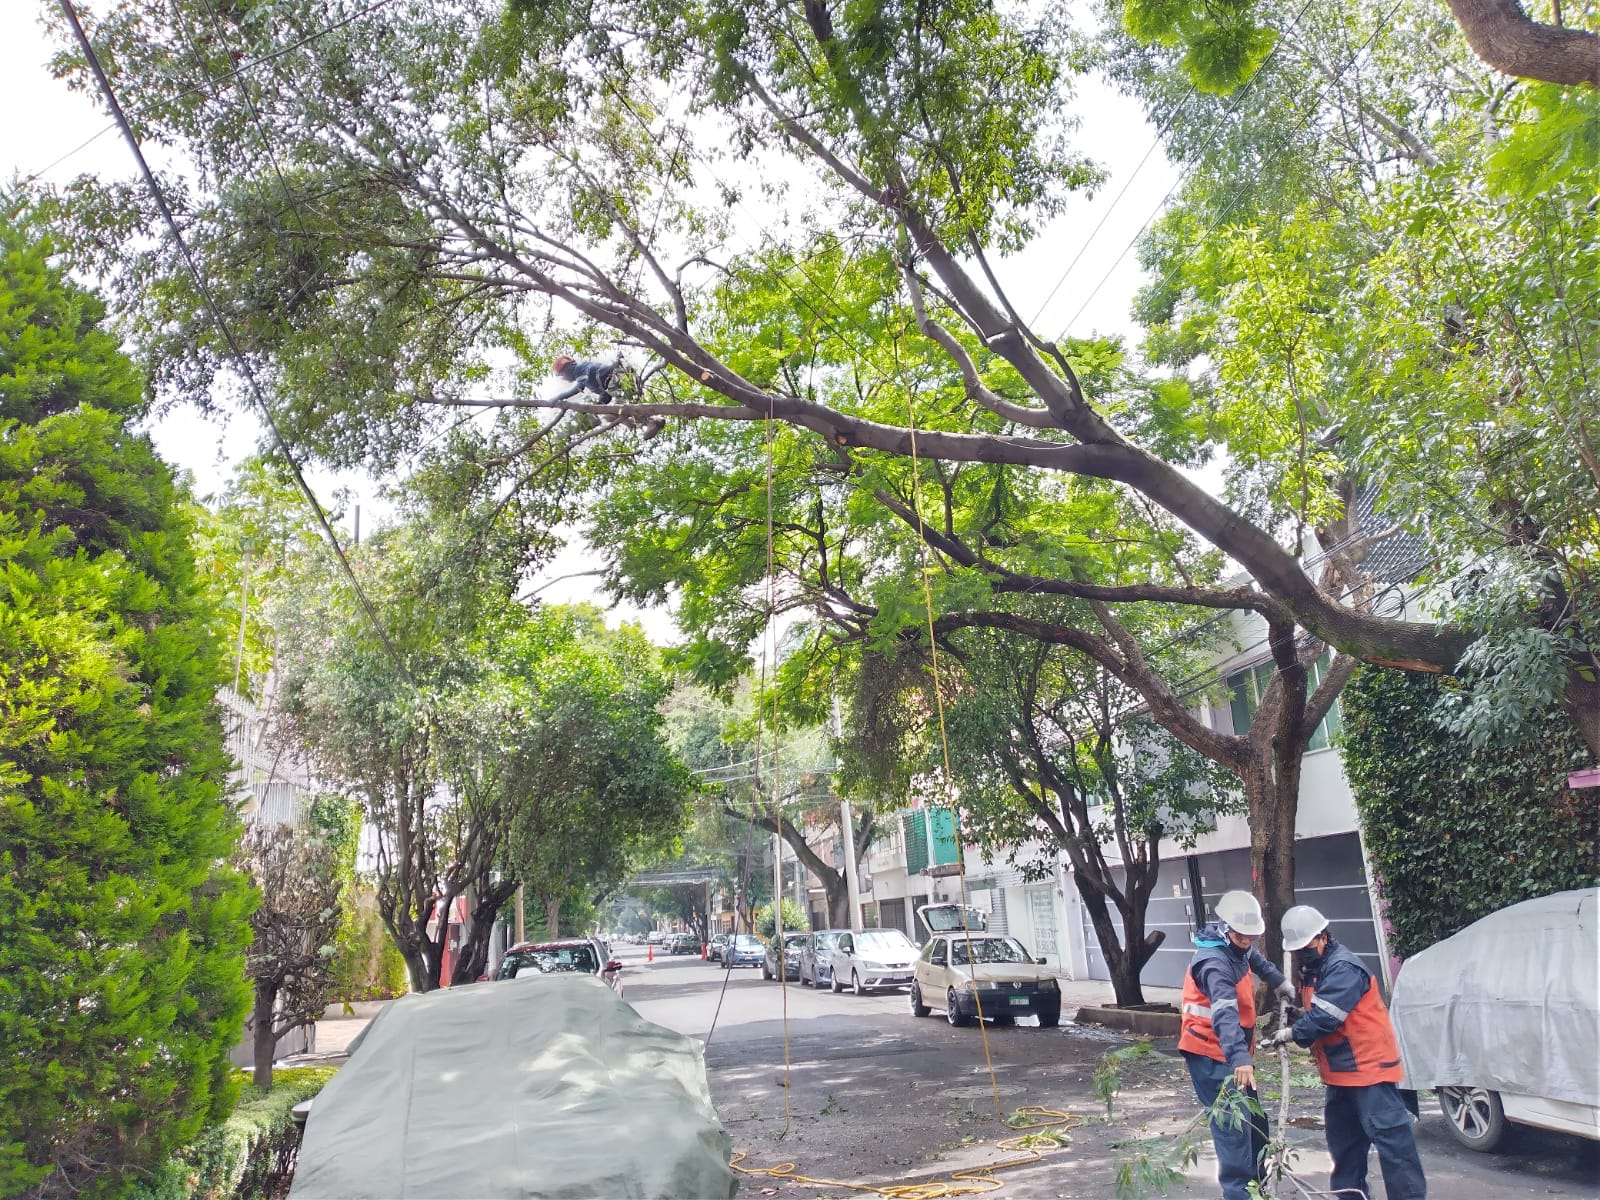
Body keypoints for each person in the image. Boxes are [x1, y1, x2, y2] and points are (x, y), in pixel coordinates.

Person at [1269, 906, 1426, 1200]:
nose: (1304, 952)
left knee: (1395, 1150)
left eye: (1307, 946)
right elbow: (1323, 1012)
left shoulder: (1344, 967)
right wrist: (1300, 1015)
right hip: (1341, 1076)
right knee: (1345, 1150)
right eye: (1299, 949)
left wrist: (1293, 1033)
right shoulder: (1316, 969)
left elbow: (1328, 1018)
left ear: (1322, 937)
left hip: (1369, 1073)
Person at [1179, 889, 1297, 1200]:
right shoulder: (1214, 963)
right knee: (1234, 1133)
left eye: (1251, 936)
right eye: (1242, 935)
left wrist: (1281, 983)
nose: (1247, 941)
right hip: (1211, 1055)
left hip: (1231, 1053)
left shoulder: (1239, 947)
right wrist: (1240, 1058)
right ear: (1226, 928)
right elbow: (1225, 1014)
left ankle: (1258, 1191)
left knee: (1256, 1125)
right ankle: (1239, 1194)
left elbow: (1257, 961)